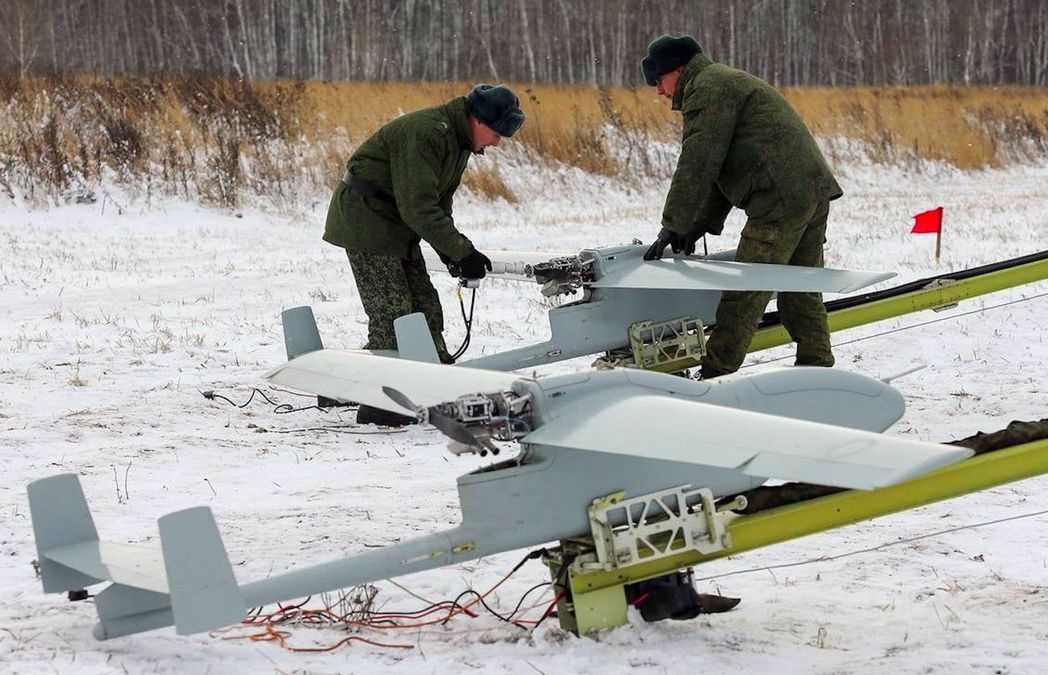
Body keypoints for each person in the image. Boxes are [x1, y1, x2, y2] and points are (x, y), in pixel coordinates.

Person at [640, 35, 843, 380]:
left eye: (658, 80)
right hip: (808, 191)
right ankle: (817, 367)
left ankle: (715, 372)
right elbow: (722, 164)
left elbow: (699, 161)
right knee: (799, 288)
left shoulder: (708, 88)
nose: (658, 91)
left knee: (747, 288)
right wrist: (698, 223)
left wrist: (674, 222)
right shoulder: (721, 81)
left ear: (678, 69)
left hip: (778, 199)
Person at [323, 84, 525, 425]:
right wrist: (460, 249)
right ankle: (381, 402)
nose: (496, 142)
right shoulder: (427, 134)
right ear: (477, 119)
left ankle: (433, 383)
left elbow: (437, 202)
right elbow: (417, 207)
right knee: (393, 313)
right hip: (367, 220)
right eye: (496, 133)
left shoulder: (459, 142)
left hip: (396, 225)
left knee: (425, 307)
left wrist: (453, 253)